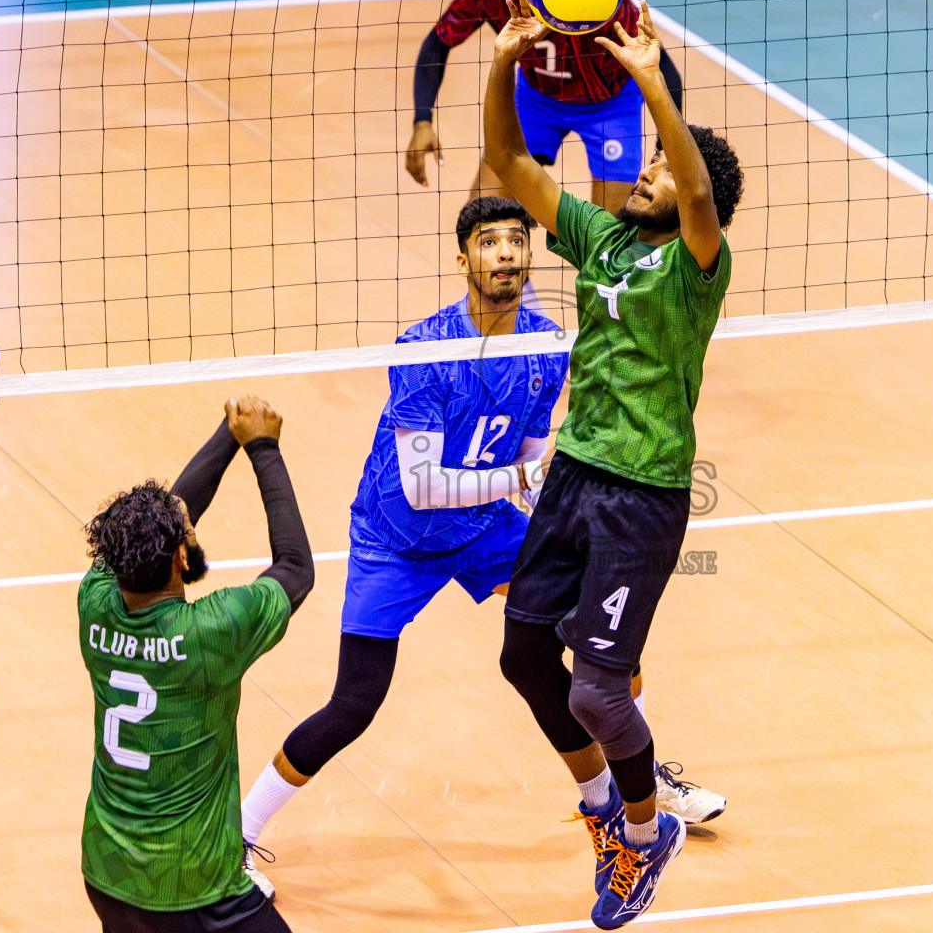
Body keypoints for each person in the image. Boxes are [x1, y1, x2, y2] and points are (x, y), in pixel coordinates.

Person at [237, 197, 723, 892]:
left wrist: (541, 504)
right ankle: (243, 831)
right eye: (488, 243)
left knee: (599, 632)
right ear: (463, 260)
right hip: (395, 540)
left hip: (487, 531)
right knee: (355, 702)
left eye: (515, 241)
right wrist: (522, 478)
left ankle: (637, 787)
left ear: (529, 256)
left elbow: (527, 458)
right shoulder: (425, 349)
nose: (504, 253)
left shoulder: (545, 346)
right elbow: (424, 485)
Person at [483, 0, 745, 930]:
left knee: (596, 684)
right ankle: (605, 809)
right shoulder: (600, 240)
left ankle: (643, 832)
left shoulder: (695, 266)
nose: (645, 178)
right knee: (523, 654)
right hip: (574, 478)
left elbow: (702, 195)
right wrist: (505, 60)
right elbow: (514, 164)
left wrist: (647, 85)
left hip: (643, 495)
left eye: (661, 175)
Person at [78, 396, 313, 933]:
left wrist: (229, 435)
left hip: (107, 873)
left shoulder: (95, 600)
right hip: (195, 887)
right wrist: (262, 448)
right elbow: (296, 568)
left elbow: (168, 518)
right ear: (182, 559)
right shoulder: (210, 631)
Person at [406, 0, 684, 216]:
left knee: (616, 238)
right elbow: (437, 43)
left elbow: (664, 70)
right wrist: (422, 121)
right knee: (482, 218)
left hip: (610, 106)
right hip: (537, 99)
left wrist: (666, 154)